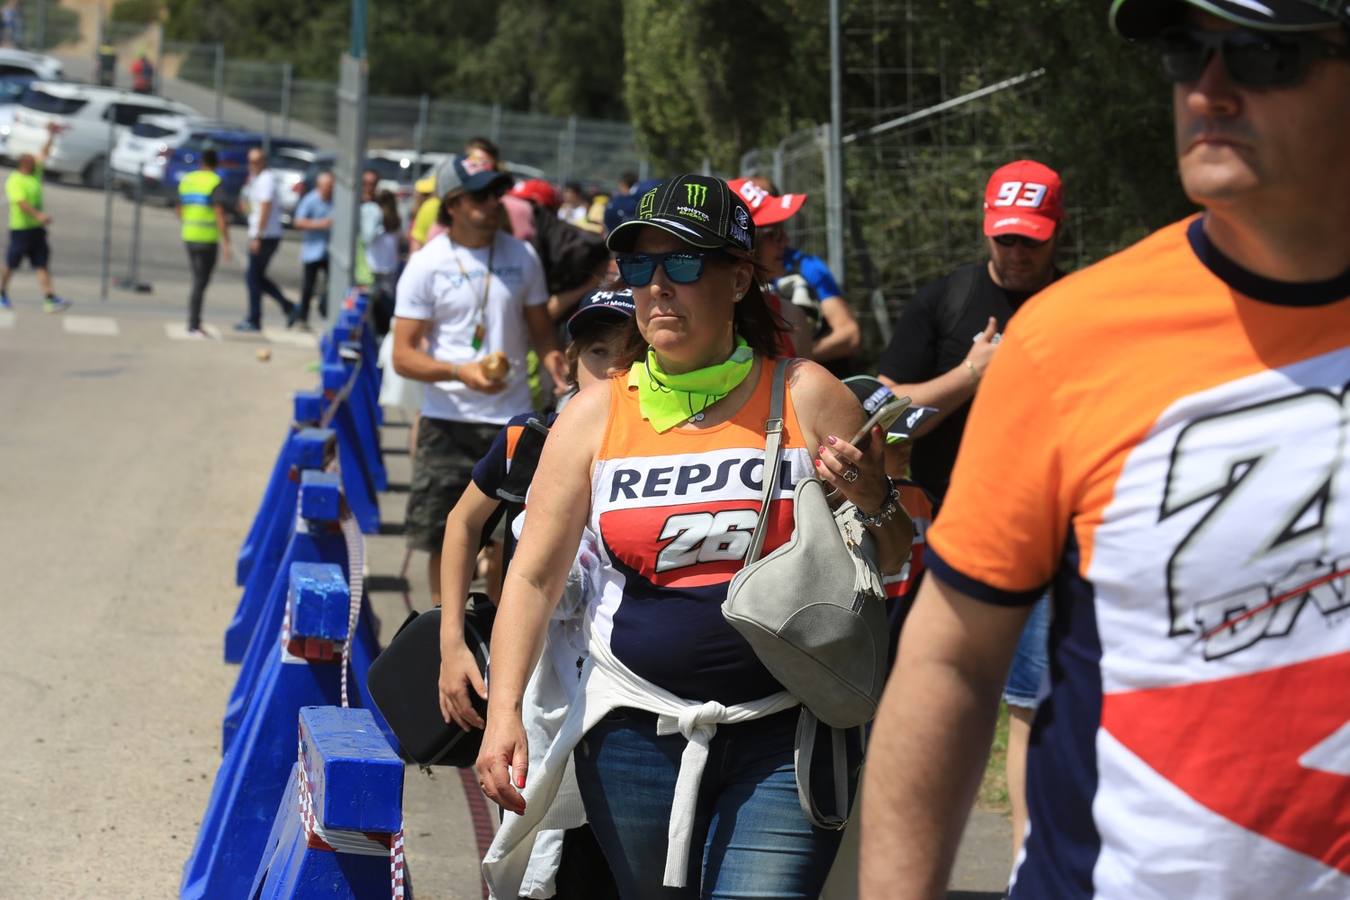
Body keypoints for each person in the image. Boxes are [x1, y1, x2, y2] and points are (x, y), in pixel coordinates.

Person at [860, 2, 1350, 898]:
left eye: (1261, 54)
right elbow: (947, 663)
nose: (1209, 89)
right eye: (1185, 51)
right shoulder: (1070, 340)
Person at [475, 174, 914, 898]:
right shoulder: (592, 417)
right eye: (639, 267)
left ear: (739, 278)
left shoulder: (807, 393)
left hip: (789, 730)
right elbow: (531, 576)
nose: (657, 288)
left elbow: (891, 557)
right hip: (629, 732)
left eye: (682, 264)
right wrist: (504, 717)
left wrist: (874, 495)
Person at [875, 157, 1066, 864]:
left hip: (1042, 533)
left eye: (1031, 241)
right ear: (986, 229)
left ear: (1057, 234)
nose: (1016, 254)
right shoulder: (946, 302)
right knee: (929, 699)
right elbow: (888, 422)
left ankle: (1025, 868)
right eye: (1005, 239)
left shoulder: (1077, 307)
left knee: (1031, 708)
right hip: (943, 532)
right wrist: (972, 374)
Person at [439, 287, 642, 900]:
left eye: (632, 354)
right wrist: (452, 644)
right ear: (564, 363)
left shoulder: (666, 451)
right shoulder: (528, 441)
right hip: (531, 694)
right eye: (598, 351)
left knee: (607, 864)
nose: (613, 369)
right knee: (537, 859)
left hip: (626, 697)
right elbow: (461, 523)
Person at [392, 153, 568, 609]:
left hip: (509, 424)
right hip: (447, 422)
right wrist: (459, 372)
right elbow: (403, 355)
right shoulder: (427, 264)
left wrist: (554, 359)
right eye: (481, 195)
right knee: (443, 535)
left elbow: (541, 331)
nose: (494, 203)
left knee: (507, 541)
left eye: (498, 193)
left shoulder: (522, 256)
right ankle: (441, 632)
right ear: (452, 203)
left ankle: (495, 633)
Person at [743, 175, 861, 374]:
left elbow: (849, 334)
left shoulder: (807, 268)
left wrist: (797, 356)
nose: (784, 241)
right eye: (773, 233)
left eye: (780, 230)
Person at [1, 122, 68, 313]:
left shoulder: (34, 173)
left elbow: (43, 154)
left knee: (41, 263)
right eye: (31, 164)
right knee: (11, 263)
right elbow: (21, 203)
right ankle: (1, 293)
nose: (36, 165)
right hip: (21, 229)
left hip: (36, 229)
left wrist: (51, 136)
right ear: (24, 165)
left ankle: (49, 297)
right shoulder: (15, 180)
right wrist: (39, 214)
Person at [235, 147, 295, 332]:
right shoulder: (257, 179)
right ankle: (287, 306)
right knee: (255, 277)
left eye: (255, 161)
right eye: (249, 161)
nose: (251, 165)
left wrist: (258, 236)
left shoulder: (266, 180)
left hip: (266, 236)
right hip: (261, 234)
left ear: (263, 162)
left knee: (253, 278)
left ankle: (255, 318)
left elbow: (266, 207)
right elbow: (253, 205)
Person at [177, 147, 231, 338]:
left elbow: (180, 207)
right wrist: (226, 242)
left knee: (197, 280)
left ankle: (194, 322)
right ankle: (194, 324)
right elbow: (219, 213)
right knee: (201, 282)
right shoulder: (215, 181)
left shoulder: (188, 179)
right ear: (216, 164)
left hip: (189, 235)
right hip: (207, 239)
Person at [290, 170, 334, 329]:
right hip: (313, 250)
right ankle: (303, 318)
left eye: (331, 186)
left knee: (332, 286)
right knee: (308, 287)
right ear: (319, 186)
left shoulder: (336, 201)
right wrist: (320, 224)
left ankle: (328, 314)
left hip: (330, 252)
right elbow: (298, 222)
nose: (329, 189)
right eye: (326, 186)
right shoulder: (310, 200)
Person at [361, 188, 400, 336]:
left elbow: (367, 237)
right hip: (390, 265)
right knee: (388, 301)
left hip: (374, 264)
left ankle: (374, 331)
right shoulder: (396, 218)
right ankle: (386, 330)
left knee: (372, 303)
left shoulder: (376, 215)